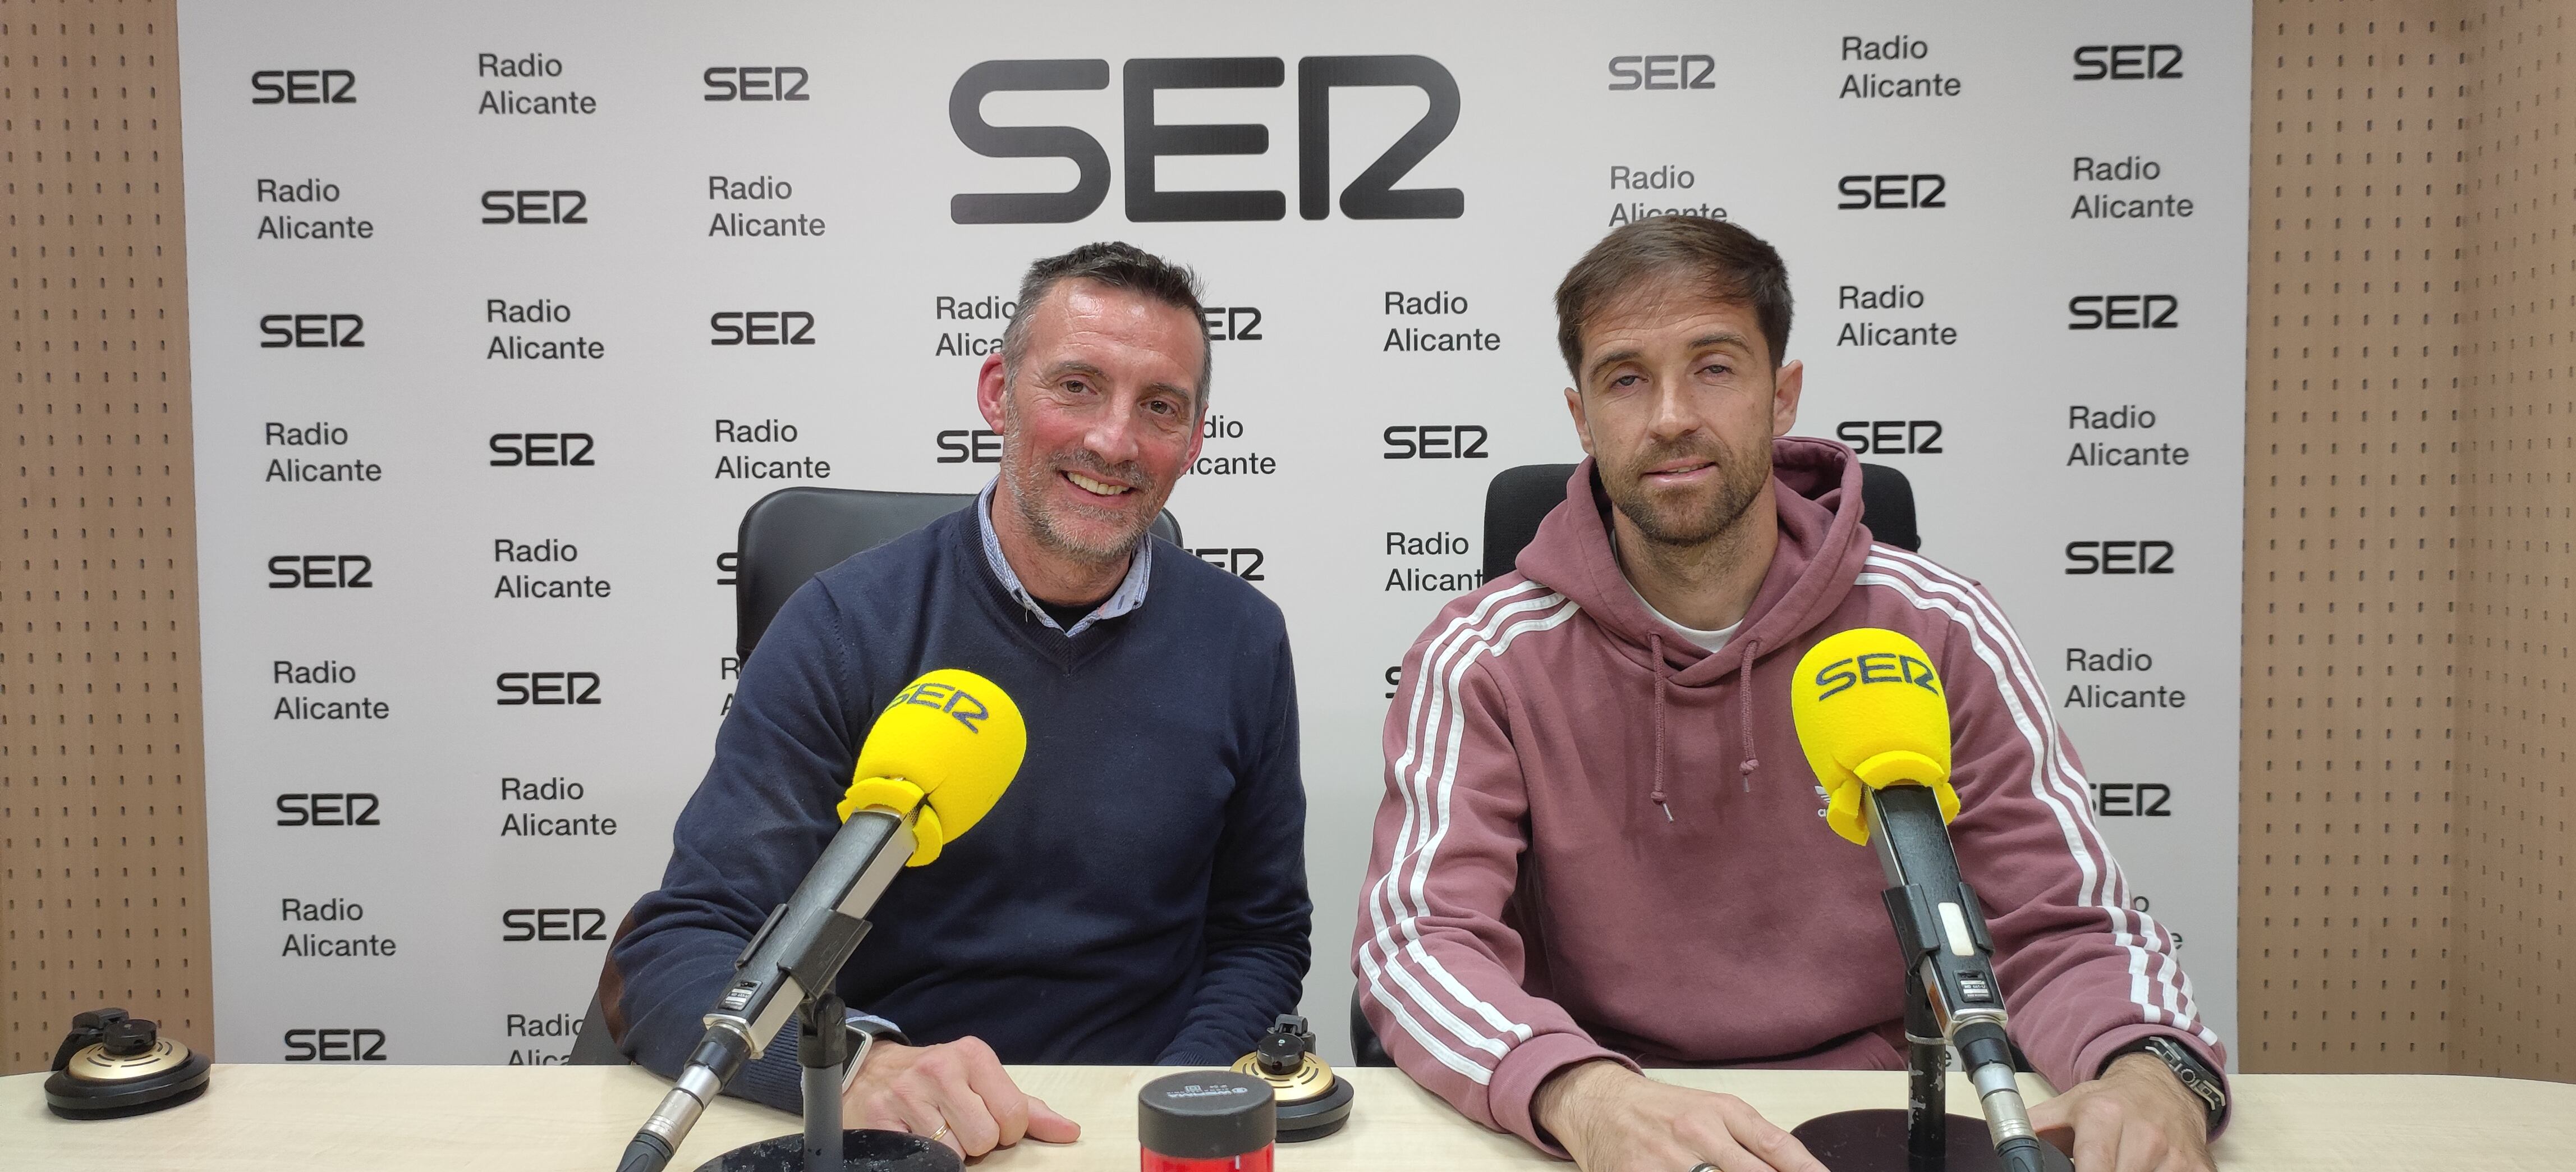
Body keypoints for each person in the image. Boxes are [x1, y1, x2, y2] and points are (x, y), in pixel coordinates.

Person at [1353, 216, 2227, 1172]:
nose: (1672, 416)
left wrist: (2151, 1068)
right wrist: (1582, 1093)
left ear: (1784, 397)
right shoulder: (1482, 657)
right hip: (1616, 1116)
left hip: (1887, 1112)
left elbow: (2061, 925)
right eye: (1626, 378)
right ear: (1582, 419)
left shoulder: (1935, 628)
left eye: (1716, 367)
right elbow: (1419, 947)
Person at [605, 242, 1311, 1160]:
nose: (1114, 441)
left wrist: (1173, 1102)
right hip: (896, 1132)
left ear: (1196, 439)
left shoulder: (1242, 639)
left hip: (1130, 1122)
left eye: (1160, 408)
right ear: (997, 394)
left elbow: (1259, 940)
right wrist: (858, 1071)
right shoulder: (842, 625)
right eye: (1077, 387)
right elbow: (682, 944)